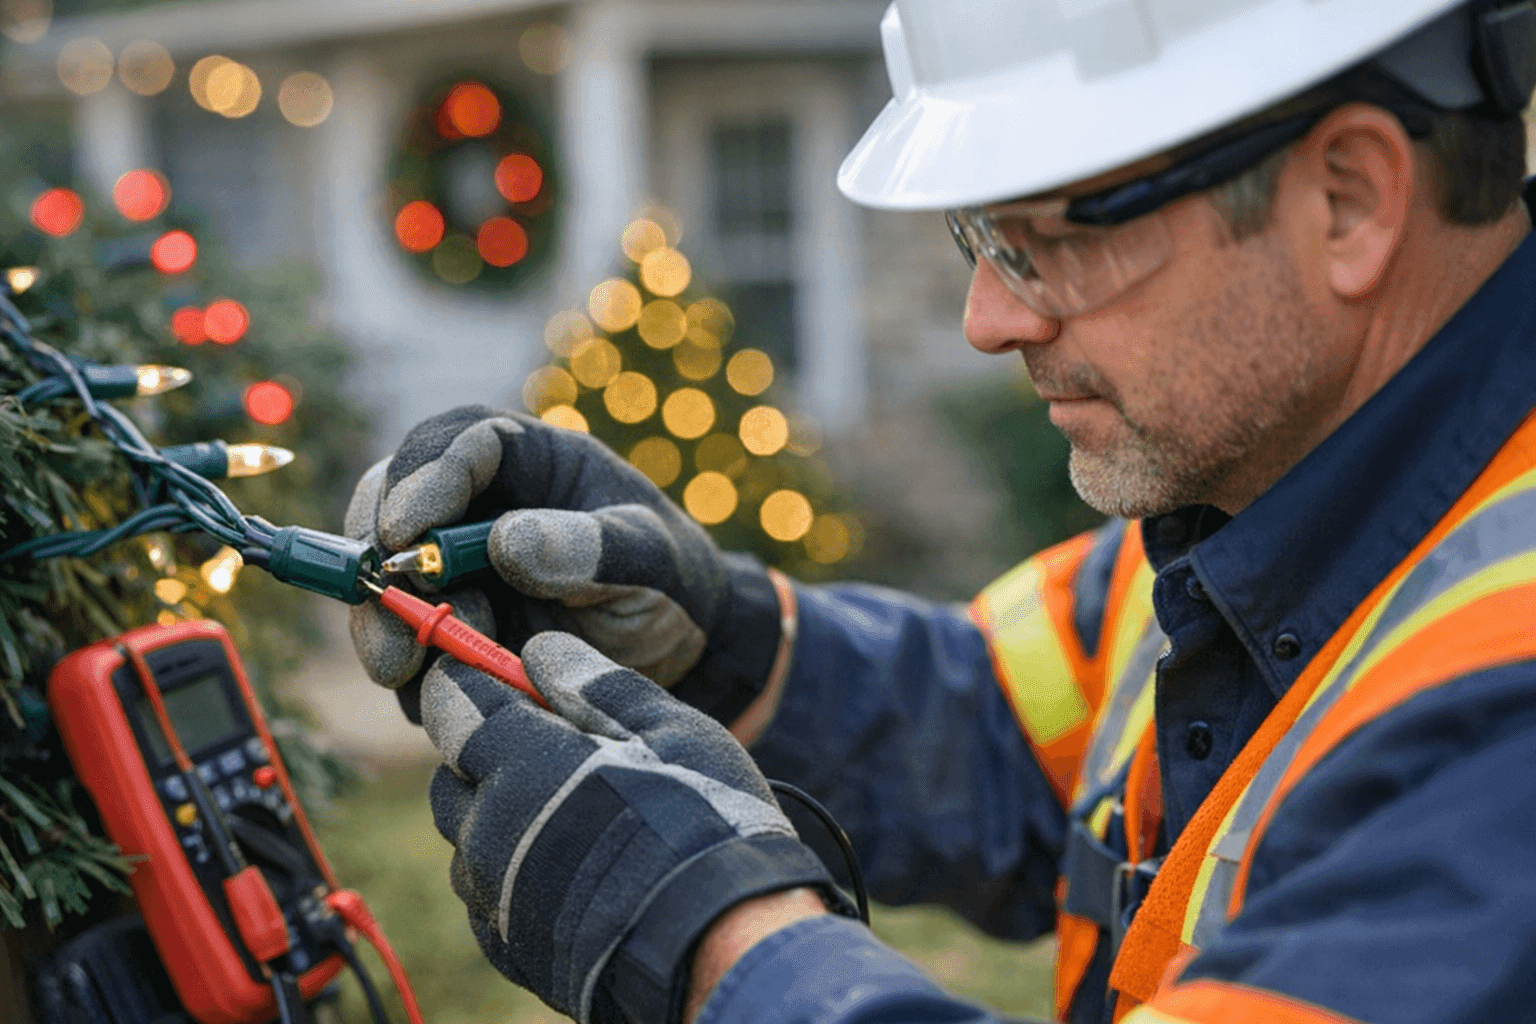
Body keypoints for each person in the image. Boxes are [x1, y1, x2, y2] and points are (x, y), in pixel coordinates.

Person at [346, 1, 1536, 1021]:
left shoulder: (1505, 708)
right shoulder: (1264, 504)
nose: (989, 320)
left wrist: (714, 945)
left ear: (1348, 200)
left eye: (1049, 240)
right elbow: (1000, 732)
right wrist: (716, 639)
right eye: (979, 236)